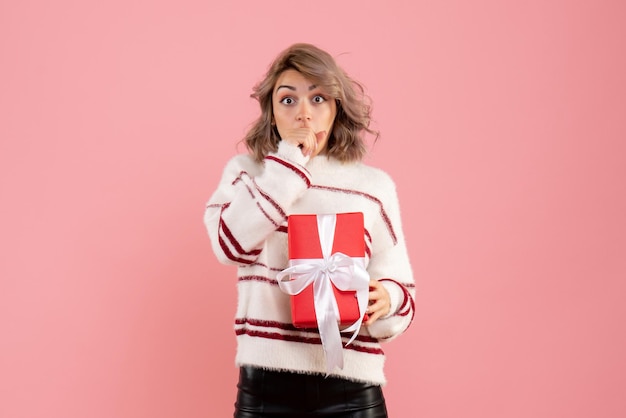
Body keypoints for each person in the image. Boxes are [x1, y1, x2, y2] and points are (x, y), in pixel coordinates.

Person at [204, 43, 415, 417]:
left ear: (336, 108)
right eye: (288, 100)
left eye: (318, 98)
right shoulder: (247, 173)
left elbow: (401, 290)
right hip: (265, 385)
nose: (304, 113)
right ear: (271, 111)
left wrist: (386, 301)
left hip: (352, 387)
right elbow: (229, 246)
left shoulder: (374, 186)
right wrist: (288, 165)